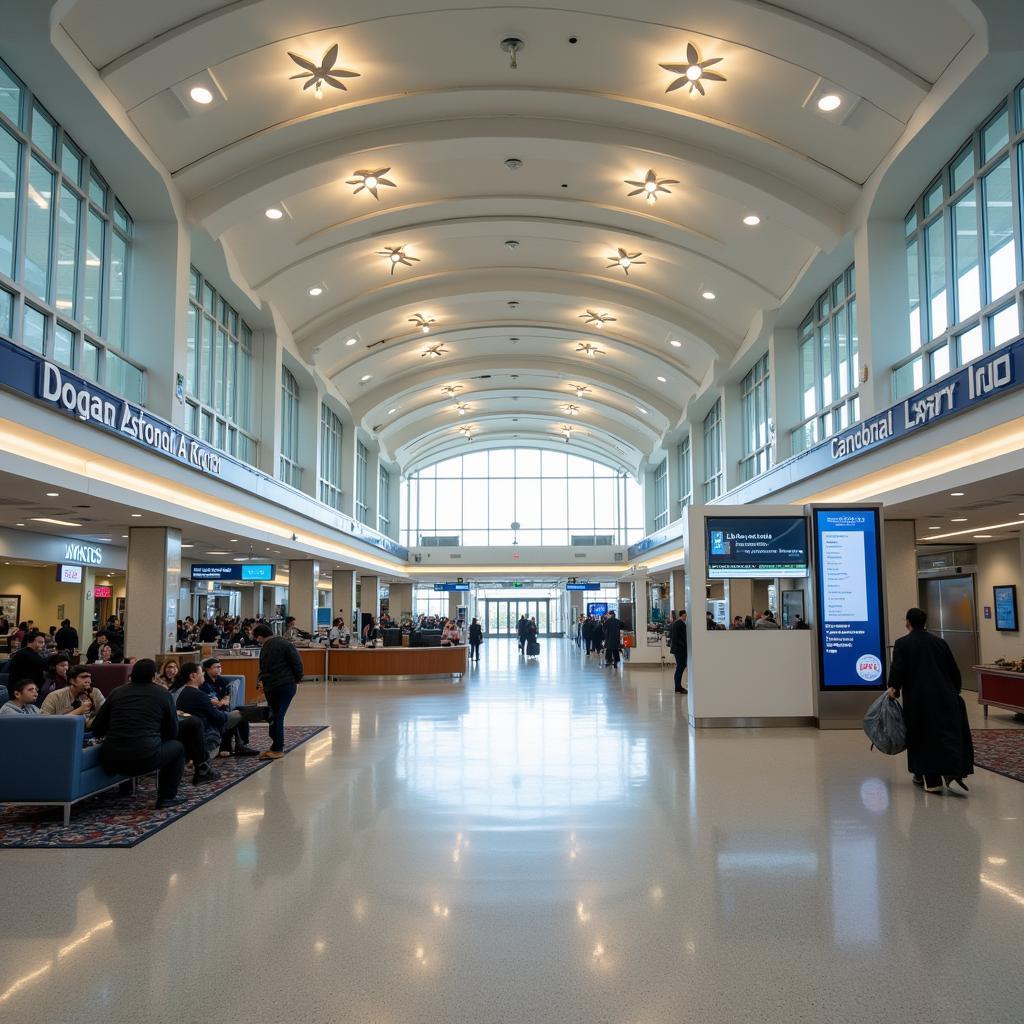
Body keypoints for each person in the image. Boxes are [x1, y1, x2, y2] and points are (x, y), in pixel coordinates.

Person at [90, 659, 219, 810]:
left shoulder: (116, 692)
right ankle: (167, 796)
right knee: (178, 748)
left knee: (131, 741)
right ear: (154, 676)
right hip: (144, 757)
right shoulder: (162, 694)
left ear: (132, 675)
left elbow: (97, 727)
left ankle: (127, 787)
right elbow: (172, 731)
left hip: (111, 756)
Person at [887, 607, 974, 793]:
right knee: (943, 733)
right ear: (924, 622)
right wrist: (955, 690)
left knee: (919, 735)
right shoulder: (939, 642)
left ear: (907, 623)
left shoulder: (903, 643)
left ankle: (930, 779)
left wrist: (894, 688)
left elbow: (898, 669)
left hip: (918, 698)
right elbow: (953, 669)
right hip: (944, 695)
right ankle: (949, 771)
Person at [175, 661, 257, 757]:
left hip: (190, 731)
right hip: (207, 732)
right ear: (193, 676)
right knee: (239, 714)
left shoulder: (180, 692)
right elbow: (218, 718)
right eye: (201, 673)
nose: (203, 675)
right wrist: (226, 713)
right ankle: (265, 715)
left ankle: (240, 744)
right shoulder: (200, 694)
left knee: (238, 711)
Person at [253, 623, 303, 760]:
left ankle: (277, 748)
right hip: (284, 685)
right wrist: (297, 680)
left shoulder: (267, 647)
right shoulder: (285, 644)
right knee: (275, 716)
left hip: (275, 686)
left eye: (257, 638)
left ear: (260, 636)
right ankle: (275, 745)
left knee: (276, 716)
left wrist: (261, 682)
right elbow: (297, 663)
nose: (257, 641)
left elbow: (263, 668)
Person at [40, 665, 105, 726]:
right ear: (72, 680)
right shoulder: (55, 696)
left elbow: (106, 713)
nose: (88, 681)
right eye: (83, 677)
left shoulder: (95, 693)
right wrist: (79, 711)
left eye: (89, 677)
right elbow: (43, 723)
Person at [668, 610, 688, 694]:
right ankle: (678, 687)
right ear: (682, 615)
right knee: (680, 667)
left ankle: (678, 686)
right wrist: (684, 646)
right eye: (685, 616)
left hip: (676, 650)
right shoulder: (681, 624)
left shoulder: (674, 623)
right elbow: (683, 637)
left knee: (679, 668)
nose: (686, 617)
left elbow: (671, 635)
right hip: (680, 650)